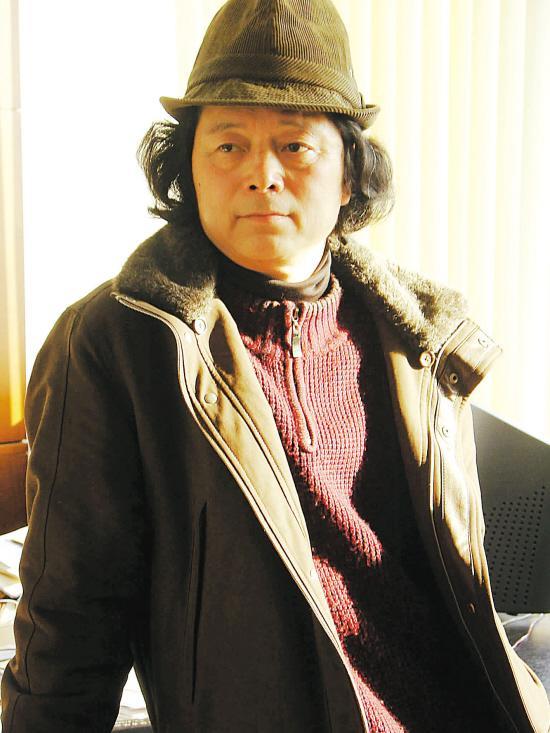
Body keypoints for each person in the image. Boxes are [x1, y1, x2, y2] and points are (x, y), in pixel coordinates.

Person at [2, 0, 549, 731]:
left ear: (350, 175)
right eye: (228, 146)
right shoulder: (116, 343)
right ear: (188, 171)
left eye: (296, 146)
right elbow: (70, 622)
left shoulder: (415, 337)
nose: (262, 175)